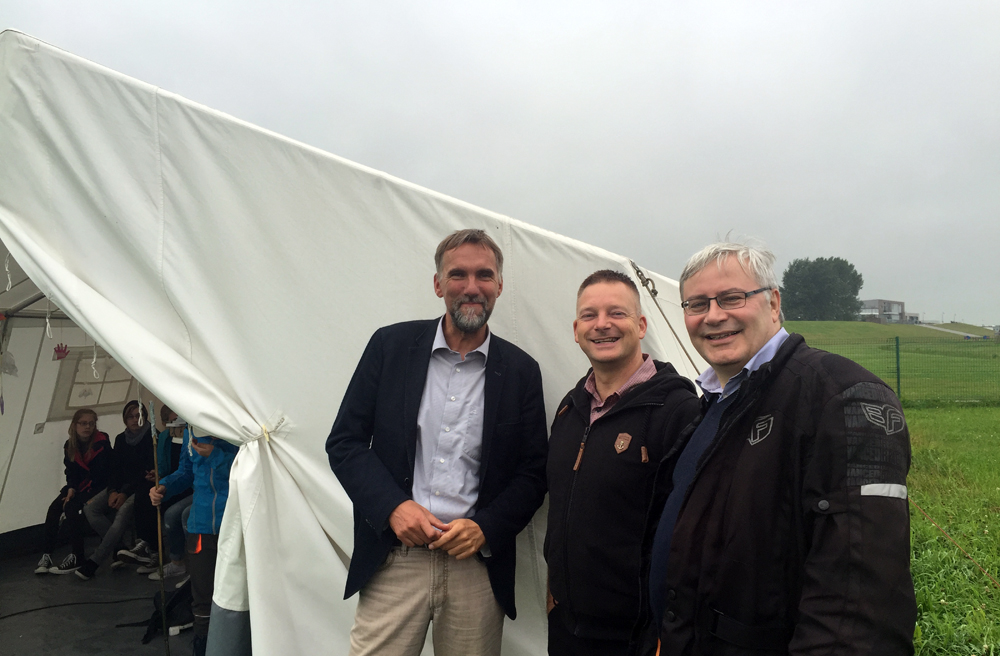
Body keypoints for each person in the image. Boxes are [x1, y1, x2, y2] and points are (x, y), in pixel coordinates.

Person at [649, 241, 916, 654]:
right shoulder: (714, 404)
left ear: (773, 303)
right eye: (697, 304)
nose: (714, 316)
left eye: (732, 298)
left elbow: (860, 604)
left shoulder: (840, 396)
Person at [326, 229, 548, 656]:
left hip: (476, 569)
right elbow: (345, 443)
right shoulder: (389, 347)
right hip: (395, 561)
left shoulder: (521, 371)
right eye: (457, 274)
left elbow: (533, 472)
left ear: (499, 285)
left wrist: (485, 528)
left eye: (484, 275)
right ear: (437, 284)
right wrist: (393, 507)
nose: (471, 287)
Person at [545, 270, 700, 656]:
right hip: (567, 628)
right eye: (589, 315)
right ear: (576, 329)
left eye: (617, 313)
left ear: (642, 324)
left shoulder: (678, 410)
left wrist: (667, 629)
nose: (602, 325)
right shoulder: (570, 407)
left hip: (637, 635)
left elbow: (690, 533)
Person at [150, 424, 237, 656]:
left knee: (237, 593)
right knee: (202, 595)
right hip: (200, 525)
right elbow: (186, 472)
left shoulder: (238, 424)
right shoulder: (191, 428)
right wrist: (164, 486)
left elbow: (252, 469)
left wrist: (216, 455)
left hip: (235, 523)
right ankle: (202, 645)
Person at [75, 400, 154, 580]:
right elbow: (115, 469)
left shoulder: (152, 437)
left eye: (138, 416)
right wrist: (112, 491)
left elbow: (146, 472)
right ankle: (121, 548)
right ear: (125, 419)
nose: (135, 420)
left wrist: (124, 492)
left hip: (142, 487)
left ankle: (95, 561)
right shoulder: (121, 439)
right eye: (130, 417)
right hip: (119, 486)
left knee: (122, 513)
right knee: (91, 508)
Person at [36, 408, 112, 575]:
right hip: (78, 485)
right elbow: (71, 471)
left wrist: (80, 491)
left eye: (91, 424)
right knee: (55, 508)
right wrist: (71, 488)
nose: (87, 427)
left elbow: (104, 472)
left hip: (98, 486)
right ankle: (47, 555)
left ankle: (77, 556)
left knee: (72, 508)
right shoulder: (70, 445)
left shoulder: (102, 442)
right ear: (75, 425)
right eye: (83, 423)